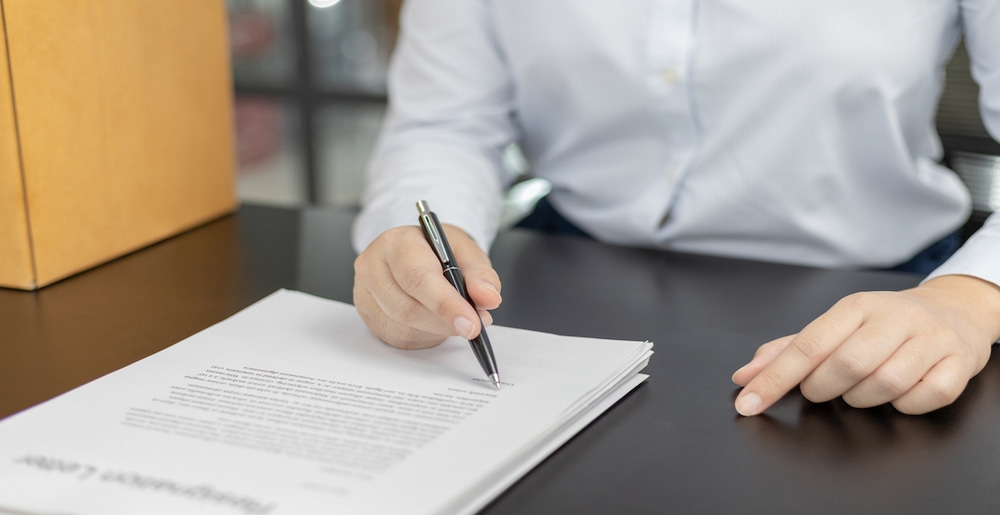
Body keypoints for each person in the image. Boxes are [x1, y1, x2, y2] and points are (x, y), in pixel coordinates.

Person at [351, 0, 1000, 416]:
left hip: (885, 292)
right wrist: (415, 239)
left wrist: (970, 300)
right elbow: (446, 125)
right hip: (564, 275)